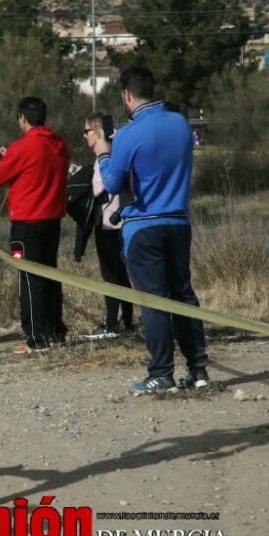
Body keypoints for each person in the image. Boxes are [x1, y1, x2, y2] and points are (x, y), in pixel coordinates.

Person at [93, 66, 209, 394]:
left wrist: (104, 155)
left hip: (144, 226)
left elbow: (113, 184)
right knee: (183, 295)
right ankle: (198, 369)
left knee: (154, 301)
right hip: (178, 221)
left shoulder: (129, 134)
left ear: (126, 95)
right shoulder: (181, 125)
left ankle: (161, 373)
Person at [0, 96, 71, 354]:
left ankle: (36, 336)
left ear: (22, 118)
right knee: (50, 275)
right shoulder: (60, 145)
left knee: (29, 278)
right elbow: (37, 167)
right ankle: (56, 330)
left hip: (26, 223)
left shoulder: (24, 147)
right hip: (52, 221)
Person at [82, 114, 134, 339]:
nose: (84, 136)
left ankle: (112, 322)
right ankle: (127, 320)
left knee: (111, 274)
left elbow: (103, 188)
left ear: (98, 132)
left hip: (110, 223)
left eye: (88, 131)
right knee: (121, 274)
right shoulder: (116, 151)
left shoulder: (106, 155)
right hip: (115, 222)